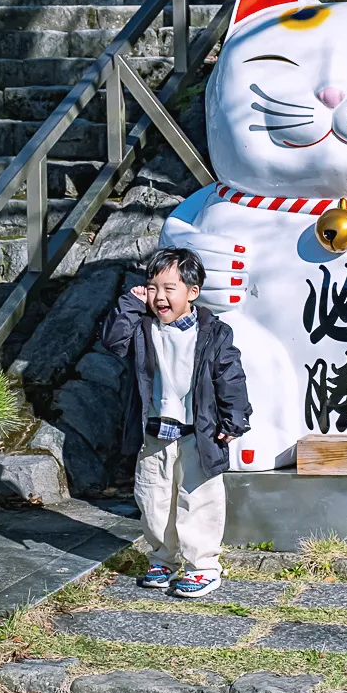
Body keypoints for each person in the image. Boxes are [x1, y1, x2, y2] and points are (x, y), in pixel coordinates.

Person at [101, 246, 251, 597]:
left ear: (192, 292)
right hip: (154, 432)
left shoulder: (213, 333)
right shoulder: (142, 329)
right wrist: (129, 304)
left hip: (197, 432)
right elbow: (112, 341)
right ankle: (162, 560)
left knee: (197, 500)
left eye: (170, 288)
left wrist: (234, 419)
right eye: (152, 287)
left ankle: (203, 567)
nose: (159, 296)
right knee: (152, 499)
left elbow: (230, 377)